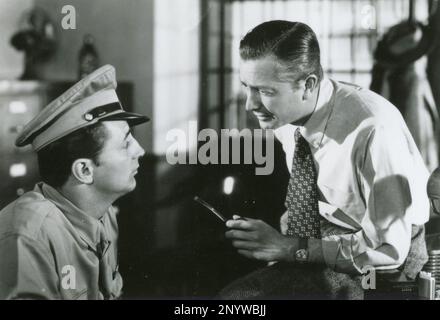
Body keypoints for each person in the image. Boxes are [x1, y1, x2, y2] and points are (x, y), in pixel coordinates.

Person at [221, 20, 430, 299]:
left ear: (308, 85)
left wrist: (289, 248)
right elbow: (307, 196)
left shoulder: (373, 128)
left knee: (239, 299)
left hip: (386, 261)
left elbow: (389, 250)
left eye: (265, 91)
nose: (250, 104)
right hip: (325, 236)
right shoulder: (287, 116)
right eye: (247, 87)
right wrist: (282, 245)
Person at [0, 65, 149, 299]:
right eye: (126, 143)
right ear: (84, 170)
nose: (140, 150)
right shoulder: (29, 236)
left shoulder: (103, 212)